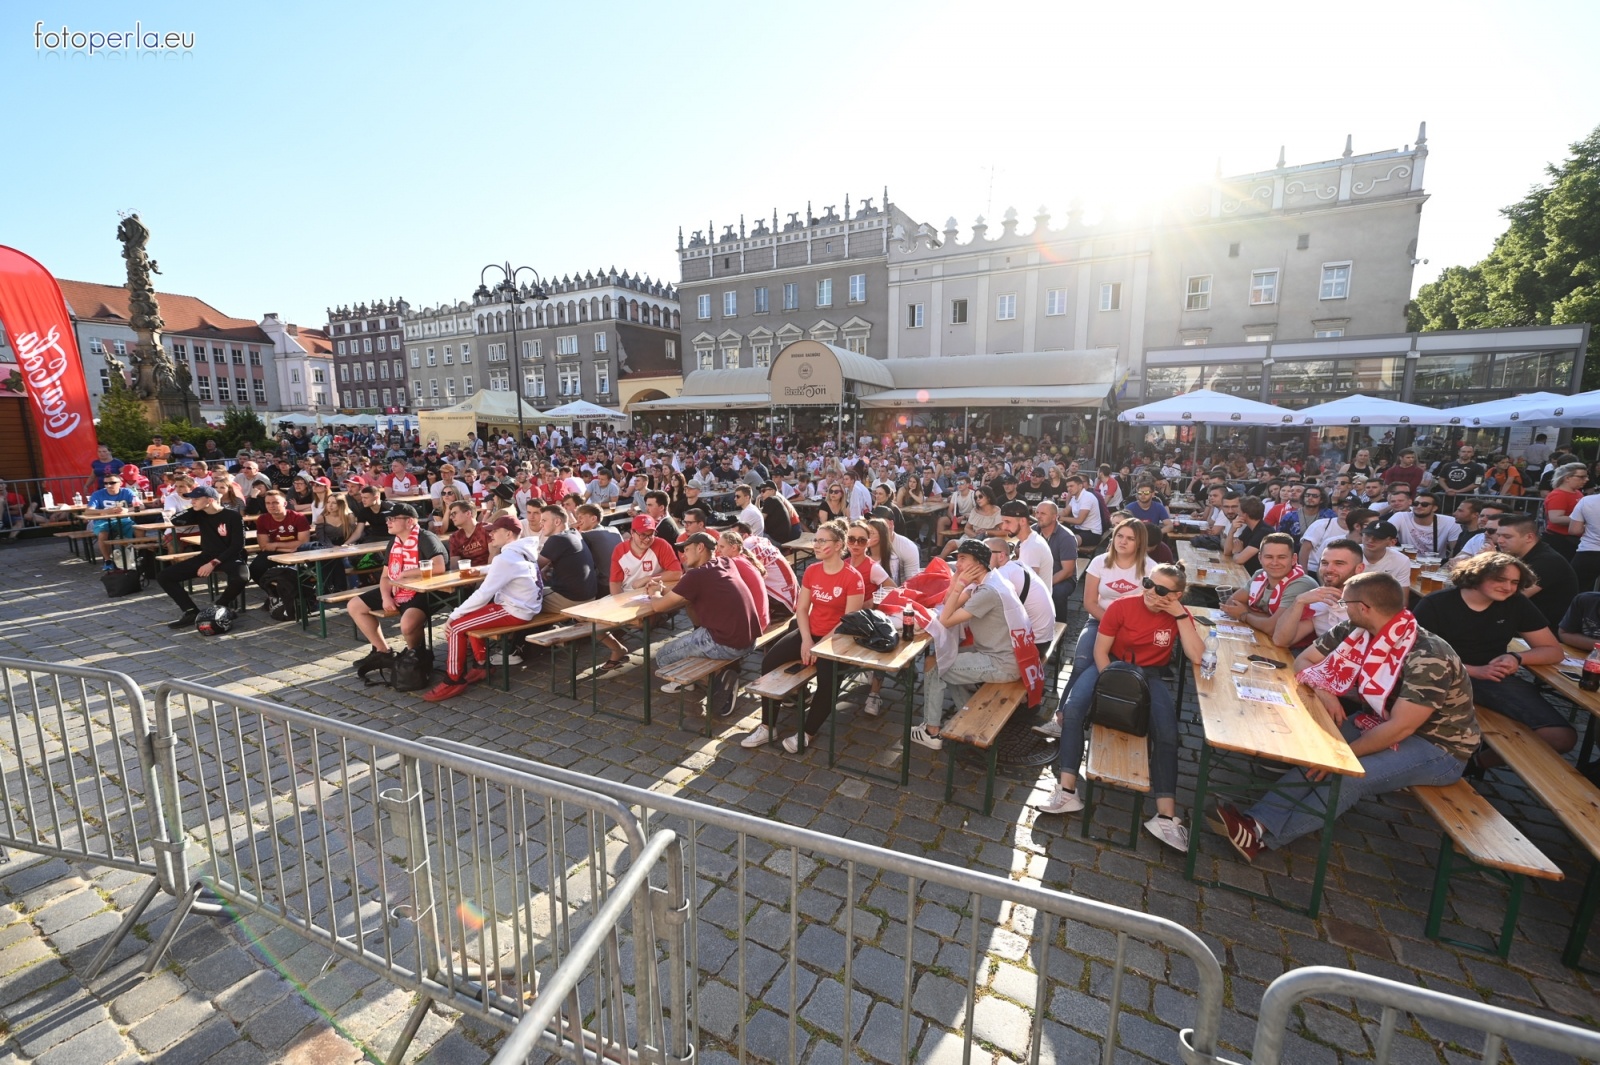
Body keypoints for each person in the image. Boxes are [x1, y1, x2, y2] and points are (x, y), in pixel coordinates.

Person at [1213, 572, 1478, 863]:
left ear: (1364, 607)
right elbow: (1305, 661)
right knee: (1319, 751)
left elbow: (1402, 727)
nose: (1342, 606)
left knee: (1350, 777)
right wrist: (1324, 689)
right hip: (1381, 721)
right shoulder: (1356, 628)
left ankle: (1266, 839)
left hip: (1438, 747)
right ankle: (1257, 823)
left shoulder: (1428, 654)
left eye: (1345, 601)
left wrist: (1343, 758)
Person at [1034, 563, 1205, 852]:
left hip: (1149, 673)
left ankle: (1165, 815)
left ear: (1177, 595)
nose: (1151, 591)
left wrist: (1179, 615)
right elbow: (1100, 651)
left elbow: (1197, 656)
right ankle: (1066, 790)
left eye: (1161, 590)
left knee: (1166, 732)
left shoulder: (1178, 615)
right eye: (1149, 583)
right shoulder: (1122, 606)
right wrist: (1112, 684)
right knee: (1073, 710)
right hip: (1111, 666)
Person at [1414, 551, 1573, 771]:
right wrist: (1474, 670)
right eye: (1500, 579)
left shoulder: (1515, 603)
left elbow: (1553, 651)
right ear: (1476, 575)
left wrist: (1516, 657)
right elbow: (1412, 656)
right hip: (1437, 679)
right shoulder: (1436, 603)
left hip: (1492, 679)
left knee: (1561, 737)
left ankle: (1475, 764)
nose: (1508, 587)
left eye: (1515, 582)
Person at [743, 520, 865, 750]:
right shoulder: (812, 570)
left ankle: (807, 733)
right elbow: (801, 609)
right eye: (815, 540)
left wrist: (819, 647)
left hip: (836, 639)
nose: (816, 545)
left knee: (828, 683)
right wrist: (807, 640)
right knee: (769, 661)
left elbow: (848, 622)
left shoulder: (852, 578)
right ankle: (768, 726)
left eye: (822, 541)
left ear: (839, 545)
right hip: (810, 632)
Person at [911, 539, 1026, 752]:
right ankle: (967, 712)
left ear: (979, 564)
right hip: (1003, 654)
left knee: (936, 665)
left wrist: (960, 585)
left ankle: (931, 731)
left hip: (1002, 663)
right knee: (945, 658)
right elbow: (947, 603)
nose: (958, 563)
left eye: (963, 559)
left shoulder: (987, 592)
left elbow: (945, 619)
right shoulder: (991, 579)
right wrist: (957, 577)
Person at [640, 531, 763, 717]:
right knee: (694, 637)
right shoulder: (726, 562)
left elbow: (658, 607)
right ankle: (706, 677)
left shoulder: (696, 576)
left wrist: (655, 593)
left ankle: (718, 682)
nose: (683, 555)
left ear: (700, 548)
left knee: (663, 657)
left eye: (687, 549)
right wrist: (664, 590)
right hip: (750, 639)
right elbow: (685, 592)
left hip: (726, 642)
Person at [422, 517, 545, 702]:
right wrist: (483, 570)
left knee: (456, 626)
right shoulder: (522, 550)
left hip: (515, 610)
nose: (490, 534)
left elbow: (482, 595)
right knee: (471, 616)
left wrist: (454, 615)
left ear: (509, 534)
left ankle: (453, 680)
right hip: (525, 605)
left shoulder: (505, 558)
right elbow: (509, 568)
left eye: (495, 531)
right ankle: (481, 666)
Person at [348, 503, 447, 678]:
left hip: (423, 591)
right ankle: (383, 652)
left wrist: (407, 573)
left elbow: (439, 566)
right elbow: (386, 576)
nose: (388, 522)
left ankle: (415, 658)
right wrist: (386, 597)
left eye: (393, 518)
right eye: (388, 518)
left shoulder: (425, 537)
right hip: (397, 588)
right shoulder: (394, 542)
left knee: (407, 625)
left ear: (409, 521)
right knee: (355, 605)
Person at [156, 486, 251, 628]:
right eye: (191, 499)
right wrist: (193, 509)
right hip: (206, 556)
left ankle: (221, 605)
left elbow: (237, 545)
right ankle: (190, 612)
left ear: (210, 500)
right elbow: (175, 521)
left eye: (196, 499)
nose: (192, 501)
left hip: (229, 556)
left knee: (241, 577)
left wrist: (213, 563)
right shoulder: (199, 514)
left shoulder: (233, 516)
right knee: (165, 576)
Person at [1271, 539, 1366, 649]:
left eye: (1339, 563)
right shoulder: (1317, 598)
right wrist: (1299, 601)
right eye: (1324, 563)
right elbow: (1280, 641)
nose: (1329, 569)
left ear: (1359, 568)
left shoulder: (1370, 602)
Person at [1221, 533, 1318, 639]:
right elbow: (1230, 604)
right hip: (1262, 637)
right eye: (1269, 557)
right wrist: (1266, 619)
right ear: (1260, 558)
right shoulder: (1260, 574)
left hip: (1294, 650)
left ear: (1294, 559)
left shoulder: (1301, 584)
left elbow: (1273, 627)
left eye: (1281, 557)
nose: (1275, 562)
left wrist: (1245, 614)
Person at [1493, 513, 1578, 634]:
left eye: (1507, 536)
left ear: (1529, 537)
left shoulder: (1548, 561)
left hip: (1544, 629)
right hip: (1522, 622)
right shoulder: (1520, 555)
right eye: (1499, 535)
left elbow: (1511, 595)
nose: (1499, 540)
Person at [250, 490, 311, 582]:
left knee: (293, 574)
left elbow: (303, 543)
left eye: (275, 502)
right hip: (278, 552)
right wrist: (287, 549)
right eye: (268, 503)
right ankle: (272, 593)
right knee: (255, 569)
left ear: (285, 503)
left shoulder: (298, 517)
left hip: (297, 552)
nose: (271, 506)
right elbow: (264, 546)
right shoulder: (262, 519)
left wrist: (274, 545)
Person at [1033, 501, 1079, 622]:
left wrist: (1044, 584)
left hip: (1061, 578)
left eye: (1043, 513)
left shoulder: (1066, 537)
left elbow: (1067, 571)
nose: (1038, 516)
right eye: (1037, 512)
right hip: (1037, 576)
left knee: (1057, 593)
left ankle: (1059, 628)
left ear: (1055, 517)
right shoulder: (1032, 531)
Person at [84, 471, 139, 570]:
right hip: (103, 521)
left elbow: (140, 506)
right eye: (105, 483)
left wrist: (127, 510)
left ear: (120, 483)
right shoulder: (97, 494)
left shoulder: (127, 492)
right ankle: (108, 561)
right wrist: (106, 511)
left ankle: (139, 555)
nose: (108, 485)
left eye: (112, 483)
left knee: (139, 530)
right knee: (103, 534)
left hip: (123, 520)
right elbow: (88, 511)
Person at [1389, 491, 1458, 559]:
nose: (1419, 506)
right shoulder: (1401, 516)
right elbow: (1383, 535)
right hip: (1407, 563)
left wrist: (1447, 564)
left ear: (1434, 508)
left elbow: (1455, 549)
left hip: (1434, 565)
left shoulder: (1450, 521)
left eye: (1424, 504)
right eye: (1415, 503)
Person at [1540, 462, 1588, 561]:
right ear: (1567, 478)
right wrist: (1584, 519)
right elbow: (1555, 518)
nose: (1586, 480)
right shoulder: (1559, 495)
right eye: (1581, 477)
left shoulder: (1577, 492)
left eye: (1586, 476)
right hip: (1559, 540)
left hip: (1572, 539)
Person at [872, 505, 922, 586]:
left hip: (897, 592)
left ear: (890, 524)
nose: (874, 526)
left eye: (879, 522)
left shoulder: (907, 547)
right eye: (872, 522)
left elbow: (912, 583)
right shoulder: (865, 544)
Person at [1222, 495, 1271, 575]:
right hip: (1244, 572)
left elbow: (1239, 559)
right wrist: (1231, 532)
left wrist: (1237, 552)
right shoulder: (1249, 529)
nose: (1237, 513)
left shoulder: (1264, 533)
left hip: (1255, 577)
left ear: (1244, 515)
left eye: (1239, 511)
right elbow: (1227, 552)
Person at [1358, 521, 1414, 586]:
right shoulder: (1349, 552)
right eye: (1368, 535)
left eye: (1378, 538)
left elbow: (1402, 594)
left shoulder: (1402, 561)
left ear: (1392, 542)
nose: (1370, 540)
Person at [446, 500, 492, 568]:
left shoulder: (487, 529)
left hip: (488, 574)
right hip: (467, 574)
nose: (451, 517)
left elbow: (494, 556)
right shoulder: (455, 538)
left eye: (454, 514)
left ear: (468, 513)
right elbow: (454, 567)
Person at [1062, 474, 1104, 548]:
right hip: (1079, 529)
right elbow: (1065, 511)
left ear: (1080, 486)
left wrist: (1060, 518)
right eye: (1067, 487)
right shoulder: (1074, 497)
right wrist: (1053, 515)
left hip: (1092, 533)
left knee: (1069, 542)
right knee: (1058, 535)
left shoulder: (1087, 497)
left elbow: (1079, 521)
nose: (1069, 489)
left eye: (1071, 486)